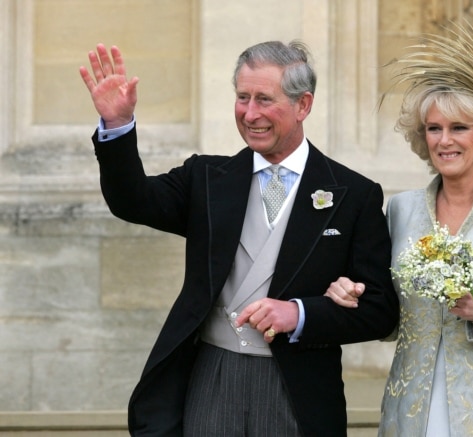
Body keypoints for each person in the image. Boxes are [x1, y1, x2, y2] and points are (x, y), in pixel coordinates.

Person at [79, 40, 399, 436]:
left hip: (297, 388)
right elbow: (133, 201)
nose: (250, 113)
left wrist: (299, 313)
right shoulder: (207, 179)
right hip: (212, 376)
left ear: (303, 106)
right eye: (242, 97)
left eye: (265, 99)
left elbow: (380, 310)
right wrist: (117, 127)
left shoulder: (354, 194)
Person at [325, 23, 473, 436]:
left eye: (459, 128)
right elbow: (390, 316)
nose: (444, 140)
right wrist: (354, 297)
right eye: (434, 128)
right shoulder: (400, 209)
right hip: (412, 407)